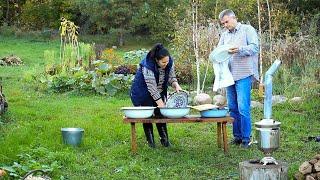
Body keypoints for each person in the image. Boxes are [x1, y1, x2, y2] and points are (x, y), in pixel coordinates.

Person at [217, 9, 259, 148]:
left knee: (243, 107)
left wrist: (239, 49)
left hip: (243, 74)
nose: (225, 25)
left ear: (234, 18)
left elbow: (254, 48)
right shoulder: (224, 35)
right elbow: (220, 51)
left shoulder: (247, 30)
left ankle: (246, 138)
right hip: (229, 76)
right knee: (233, 107)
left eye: (226, 22)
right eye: (222, 23)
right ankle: (237, 136)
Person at [130, 43, 182, 148]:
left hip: (159, 90)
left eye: (167, 61)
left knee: (160, 114)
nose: (166, 64)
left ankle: (165, 141)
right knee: (148, 115)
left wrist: (176, 85)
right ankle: (151, 143)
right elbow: (152, 88)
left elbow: (171, 77)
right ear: (156, 60)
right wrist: (161, 104)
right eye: (163, 62)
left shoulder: (169, 62)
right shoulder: (147, 65)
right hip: (142, 92)